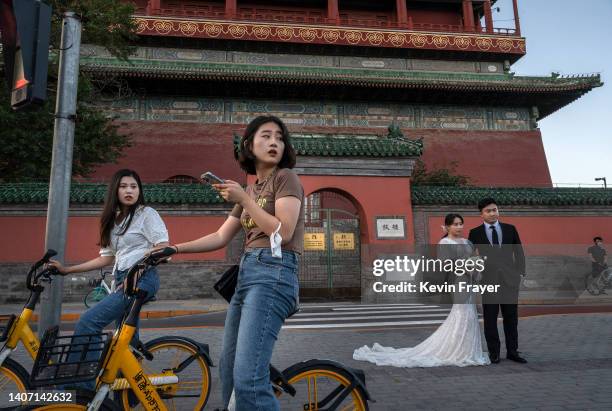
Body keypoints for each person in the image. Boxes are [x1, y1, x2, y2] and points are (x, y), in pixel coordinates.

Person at [164, 115, 304, 411]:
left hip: (274, 274)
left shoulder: (285, 178)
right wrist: (172, 248)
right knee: (228, 371)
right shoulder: (250, 190)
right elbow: (220, 236)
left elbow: (284, 230)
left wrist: (245, 198)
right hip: (247, 274)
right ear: (248, 145)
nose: (274, 142)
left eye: (279, 137)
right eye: (265, 136)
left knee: (249, 379)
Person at [48, 169, 168, 387]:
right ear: (115, 190)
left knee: (89, 322)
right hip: (123, 279)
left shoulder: (146, 214)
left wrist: (137, 272)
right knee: (125, 342)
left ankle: (79, 390)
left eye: (133, 186)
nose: (129, 191)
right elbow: (105, 259)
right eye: (124, 186)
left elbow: (162, 247)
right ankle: (129, 395)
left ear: (139, 190)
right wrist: (67, 270)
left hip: (142, 279)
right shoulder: (112, 220)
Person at [353, 213, 490, 368]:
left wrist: (476, 268)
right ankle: (457, 350)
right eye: (455, 224)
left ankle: (468, 349)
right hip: (458, 281)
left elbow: (474, 258)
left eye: (461, 224)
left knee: (470, 313)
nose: (459, 227)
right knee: (462, 313)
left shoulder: (468, 242)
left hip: (470, 281)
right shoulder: (444, 242)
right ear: (447, 226)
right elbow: (445, 265)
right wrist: (465, 267)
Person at [468, 197, 527, 364]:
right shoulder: (475, 233)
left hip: (510, 280)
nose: (493, 213)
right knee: (490, 318)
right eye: (488, 211)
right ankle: (494, 353)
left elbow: (519, 252)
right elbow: (470, 256)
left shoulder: (510, 229)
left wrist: (521, 273)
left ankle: (512, 351)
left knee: (511, 318)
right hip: (489, 281)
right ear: (481, 214)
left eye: (495, 210)